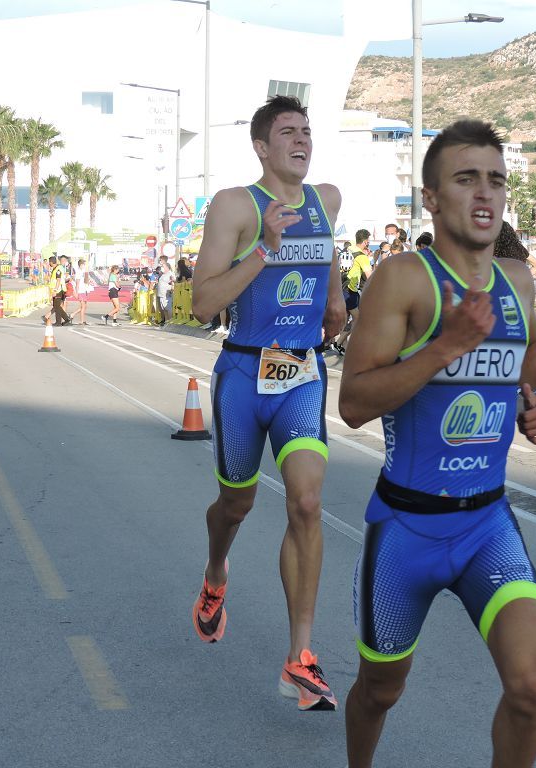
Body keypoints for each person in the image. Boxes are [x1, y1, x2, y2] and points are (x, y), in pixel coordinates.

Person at [339, 119, 536, 768]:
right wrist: (446, 347)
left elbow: (534, 356)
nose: (484, 194)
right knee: (381, 691)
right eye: (466, 180)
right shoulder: (404, 279)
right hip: (405, 526)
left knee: (533, 686)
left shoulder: (517, 280)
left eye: (495, 180)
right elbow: (352, 404)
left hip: (487, 522)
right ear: (431, 198)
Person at [190, 95, 344, 711]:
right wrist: (264, 248)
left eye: (307, 131)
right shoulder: (235, 206)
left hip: (302, 374)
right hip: (244, 374)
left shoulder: (327, 199)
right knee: (237, 503)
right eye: (288, 132)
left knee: (307, 501)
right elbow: (203, 305)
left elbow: (328, 252)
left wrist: (334, 299)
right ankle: (216, 573)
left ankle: (299, 658)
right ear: (262, 146)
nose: (301, 140)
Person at [333, 229, 374, 355]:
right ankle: (339, 342)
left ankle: (343, 347)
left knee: (346, 319)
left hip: (340, 287)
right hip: (350, 290)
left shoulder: (348, 249)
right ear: (366, 241)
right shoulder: (362, 257)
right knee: (358, 317)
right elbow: (370, 276)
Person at [49, 255, 71, 326]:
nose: (49, 264)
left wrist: (55, 290)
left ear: (51, 262)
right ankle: (67, 319)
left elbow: (58, 280)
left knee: (57, 306)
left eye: (49, 262)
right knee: (56, 306)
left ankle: (58, 322)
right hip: (57, 290)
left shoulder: (58, 269)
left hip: (58, 290)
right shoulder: (55, 268)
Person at [70, 257, 93, 325]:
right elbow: (77, 283)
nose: (84, 266)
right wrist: (76, 293)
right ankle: (82, 321)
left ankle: (72, 315)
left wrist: (89, 282)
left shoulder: (84, 272)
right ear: (80, 265)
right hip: (80, 291)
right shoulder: (78, 272)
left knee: (85, 306)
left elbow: (85, 281)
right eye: (83, 264)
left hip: (84, 290)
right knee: (83, 306)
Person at [155, 255, 174, 326]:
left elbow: (173, 281)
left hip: (166, 294)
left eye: (163, 267)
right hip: (161, 294)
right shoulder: (163, 274)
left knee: (168, 308)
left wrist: (172, 284)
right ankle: (166, 322)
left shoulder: (170, 273)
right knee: (163, 309)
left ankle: (170, 321)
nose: (162, 268)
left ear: (167, 267)